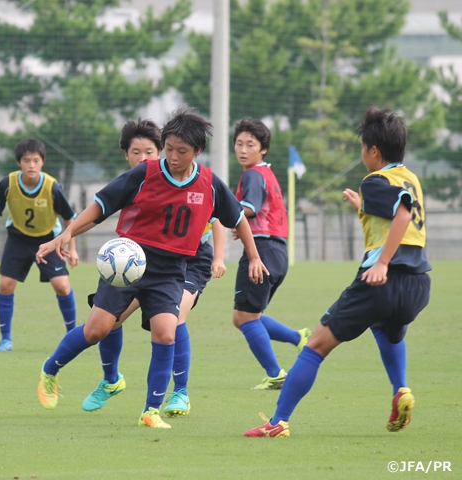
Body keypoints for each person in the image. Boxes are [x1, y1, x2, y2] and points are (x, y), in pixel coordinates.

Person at [35, 107, 269, 429]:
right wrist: (66, 233)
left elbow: (238, 219)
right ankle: (50, 370)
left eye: (181, 151)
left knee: (165, 333)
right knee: (97, 330)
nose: (173, 156)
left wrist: (254, 256)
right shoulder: (144, 173)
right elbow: (101, 206)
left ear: (197, 152)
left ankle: (151, 410)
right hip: (128, 261)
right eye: (169, 148)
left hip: (172, 269)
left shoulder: (210, 184)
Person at [244, 106, 431, 438]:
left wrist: (383, 263)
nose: (362, 155)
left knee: (315, 345)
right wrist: (361, 208)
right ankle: (401, 389)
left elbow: (401, 215)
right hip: (418, 284)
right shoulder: (410, 178)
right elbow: (404, 214)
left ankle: (278, 423)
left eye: (363, 148)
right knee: (384, 327)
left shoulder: (375, 180)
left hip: (383, 279)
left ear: (374, 151)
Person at [81, 118, 227, 418]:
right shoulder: (145, 177)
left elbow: (220, 218)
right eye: (137, 152)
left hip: (191, 260)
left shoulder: (197, 180)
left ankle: (180, 392)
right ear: (127, 155)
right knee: (112, 321)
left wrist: (219, 257)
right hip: (148, 259)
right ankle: (111, 380)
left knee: (174, 319)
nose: (145, 158)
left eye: (150, 151)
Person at [231, 118, 312, 390]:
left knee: (244, 318)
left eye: (250, 145)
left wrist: (222, 215)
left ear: (263, 149)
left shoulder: (252, 174)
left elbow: (250, 208)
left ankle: (275, 373)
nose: (243, 150)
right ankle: (297, 337)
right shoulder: (267, 173)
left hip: (261, 251)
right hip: (278, 252)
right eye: (239, 144)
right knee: (245, 316)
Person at [0, 138, 78, 351]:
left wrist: (72, 248)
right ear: (19, 163)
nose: (31, 165)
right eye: (26, 160)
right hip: (18, 239)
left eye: (35, 160)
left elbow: (71, 219)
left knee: (62, 286)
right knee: (5, 285)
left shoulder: (52, 187)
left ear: (42, 162)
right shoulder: (8, 184)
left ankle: (74, 336)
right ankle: (6, 340)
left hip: (49, 240)